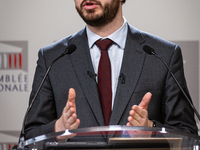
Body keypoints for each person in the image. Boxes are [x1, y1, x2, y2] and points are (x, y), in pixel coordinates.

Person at [22, 0, 198, 142]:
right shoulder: (52, 57)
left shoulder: (163, 55)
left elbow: (187, 133)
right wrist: (58, 129)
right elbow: (29, 135)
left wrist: (151, 130)